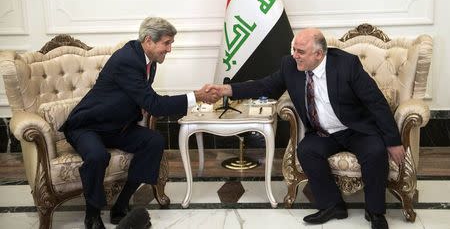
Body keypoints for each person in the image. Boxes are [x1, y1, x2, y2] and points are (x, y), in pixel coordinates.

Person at [206, 28, 405, 229]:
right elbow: (264, 86)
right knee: (307, 150)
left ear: (318, 54)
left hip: (354, 128)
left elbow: (376, 102)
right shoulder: (290, 66)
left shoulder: (346, 64)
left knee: (375, 151)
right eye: (294, 49)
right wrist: (227, 90)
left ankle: (375, 211)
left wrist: (393, 141)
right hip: (323, 132)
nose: (294, 55)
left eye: (300, 51)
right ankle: (333, 205)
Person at [60, 17, 219, 229]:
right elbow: (155, 105)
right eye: (167, 43)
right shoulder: (127, 59)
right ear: (149, 40)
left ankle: (121, 205)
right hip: (87, 126)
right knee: (98, 156)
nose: (169, 49)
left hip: (116, 125)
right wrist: (196, 96)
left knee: (153, 141)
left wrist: (144, 104)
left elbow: (144, 97)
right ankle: (92, 215)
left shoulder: (148, 61)